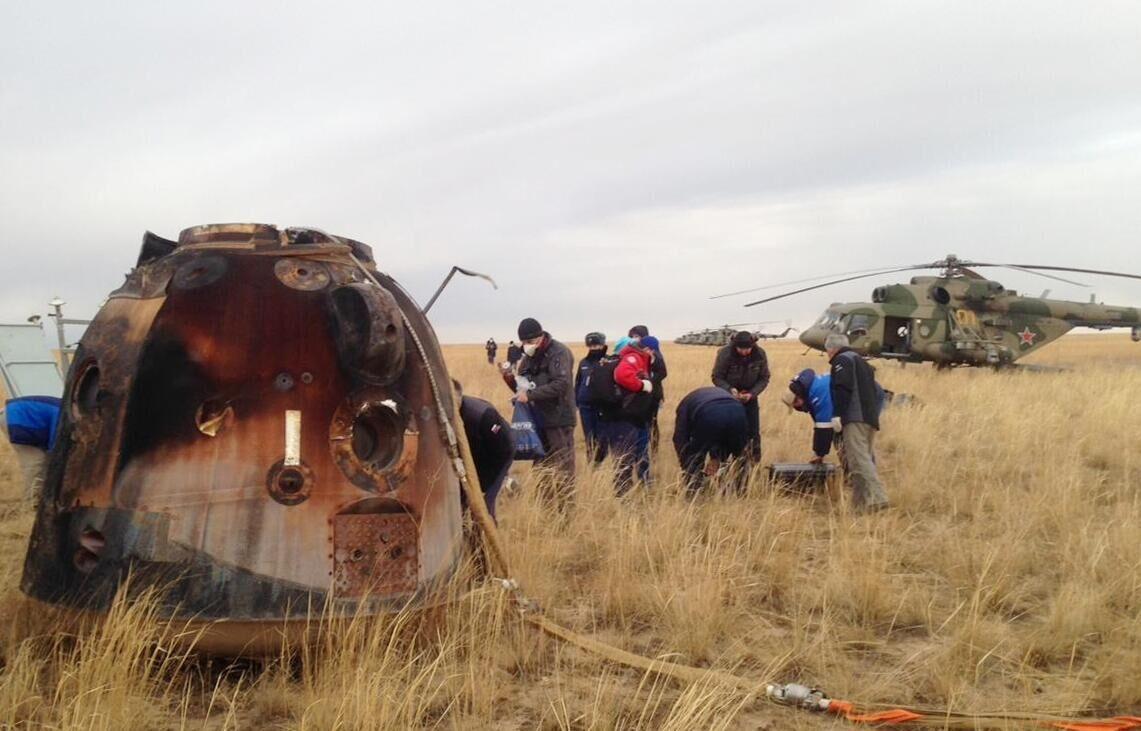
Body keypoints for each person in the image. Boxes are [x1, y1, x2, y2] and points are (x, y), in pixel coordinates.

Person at [501, 318, 576, 502]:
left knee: (562, 466)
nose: (526, 346)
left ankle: (566, 509)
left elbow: (562, 384)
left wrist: (531, 395)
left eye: (530, 341)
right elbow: (523, 387)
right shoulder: (528, 358)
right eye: (523, 342)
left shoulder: (559, 352)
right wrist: (510, 379)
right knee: (541, 465)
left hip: (559, 419)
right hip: (537, 420)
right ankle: (544, 505)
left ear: (541, 337)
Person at [826, 333, 889, 513]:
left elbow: (843, 388)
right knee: (861, 459)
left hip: (855, 419)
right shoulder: (861, 361)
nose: (828, 354)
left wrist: (838, 414)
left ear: (832, 349)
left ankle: (878, 498)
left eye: (827, 350)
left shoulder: (842, 361)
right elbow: (878, 391)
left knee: (859, 460)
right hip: (869, 418)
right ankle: (860, 506)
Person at [597, 337, 655, 495]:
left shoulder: (631, 357)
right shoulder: (633, 357)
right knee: (624, 458)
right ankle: (622, 496)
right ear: (647, 350)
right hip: (625, 417)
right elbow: (622, 376)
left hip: (627, 416)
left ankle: (624, 492)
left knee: (625, 456)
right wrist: (642, 385)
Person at [673, 387, 748, 496]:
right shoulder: (694, 400)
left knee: (695, 456)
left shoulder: (683, 407)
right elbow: (722, 433)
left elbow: (680, 438)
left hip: (708, 412)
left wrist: (686, 465)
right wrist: (716, 457)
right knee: (740, 455)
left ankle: (694, 492)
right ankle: (742, 490)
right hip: (738, 410)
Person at [455, 381, 513, 521]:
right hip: (473, 457)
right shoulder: (445, 415)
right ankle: (468, 533)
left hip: (498, 455)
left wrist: (488, 482)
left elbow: (504, 448)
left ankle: (488, 534)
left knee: (485, 505)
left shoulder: (483, 415)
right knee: (461, 502)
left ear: (458, 397)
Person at [711, 330, 770, 461]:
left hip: (750, 399)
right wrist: (730, 390)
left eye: (747, 349)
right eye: (741, 349)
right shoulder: (725, 353)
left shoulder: (760, 354)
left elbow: (764, 378)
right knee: (724, 432)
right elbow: (717, 377)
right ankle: (720, 463)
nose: (744, 352)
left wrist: (752, 394)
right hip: (727, 399)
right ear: (735, 345)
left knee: (753, 433)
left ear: (752, 345)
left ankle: (753, 464)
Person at [1, 396, 61, 501]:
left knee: (42, 462)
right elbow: (55, 441)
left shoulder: (62, 407)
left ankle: (40, 497)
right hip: (17, 418)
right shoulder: (62, 412)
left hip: (13, 413)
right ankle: (30, 502)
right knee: (35, 463)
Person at [629, 326, 667, 479]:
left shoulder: (656, 356)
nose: (634, 339)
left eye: (636, 336)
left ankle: (653, 449)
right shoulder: (643, 354)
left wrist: (648, 381)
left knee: (652, 423)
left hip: (653, 395)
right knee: (647, 423)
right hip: (645, 394)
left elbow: (662, 373)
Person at [780, 369, 836, 463]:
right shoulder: (811, 389)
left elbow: (824, 427)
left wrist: (818, 454)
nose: (797, 408)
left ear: (798, 398)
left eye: (795, 405)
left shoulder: (817, 396)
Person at [574, 332, 608, 459]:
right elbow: (578, 382)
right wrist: (576, 401)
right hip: (585, 406)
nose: (593, 349)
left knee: (602, 438)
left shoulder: (608, 361)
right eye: (591, 346)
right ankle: (590, 463)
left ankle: (601, 463)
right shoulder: (583, 363)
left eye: (596, 346)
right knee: (589, 437)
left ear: (602, 345)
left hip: (602, 406)